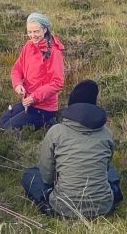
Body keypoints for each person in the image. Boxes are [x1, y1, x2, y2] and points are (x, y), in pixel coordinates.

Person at [23, 79, 119, 220]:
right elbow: (105, 167)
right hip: (103, 207)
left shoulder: (56, 132)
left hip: (62, 207)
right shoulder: (106, 133)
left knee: (30, 174)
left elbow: (47, 177)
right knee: (111, 171)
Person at [1, 12, 66, 130]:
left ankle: (48, 121)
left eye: (36, 31)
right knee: (2, 123)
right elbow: (17, 68)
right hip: (28, 102)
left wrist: (34, 97)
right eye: (29, 32)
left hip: (44, 108)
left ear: (45, 29)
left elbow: (57, 82)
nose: (32, 35)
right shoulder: (28, 45)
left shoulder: (54, 52)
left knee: (8, 129)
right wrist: (17, 84)